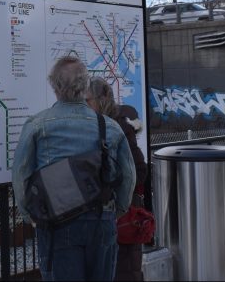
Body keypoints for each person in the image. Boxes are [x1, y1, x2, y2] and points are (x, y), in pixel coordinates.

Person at [12, 56, 135, 281]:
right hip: (101, 220)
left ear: (55, 86)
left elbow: (21, 173)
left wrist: (28, 214)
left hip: (57, 223)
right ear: (85, 85)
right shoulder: (109, 126)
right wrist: (116, 211)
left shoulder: (37, 125)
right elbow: (128, 175)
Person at [87, 77, 148, 281]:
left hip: (123, 213)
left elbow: (140, 170)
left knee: (124, 269)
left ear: (100, 100)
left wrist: (113, 184)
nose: (84, 106)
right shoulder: (96, 125)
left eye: (88, 101)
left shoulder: (120, 126)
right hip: (108, 213)